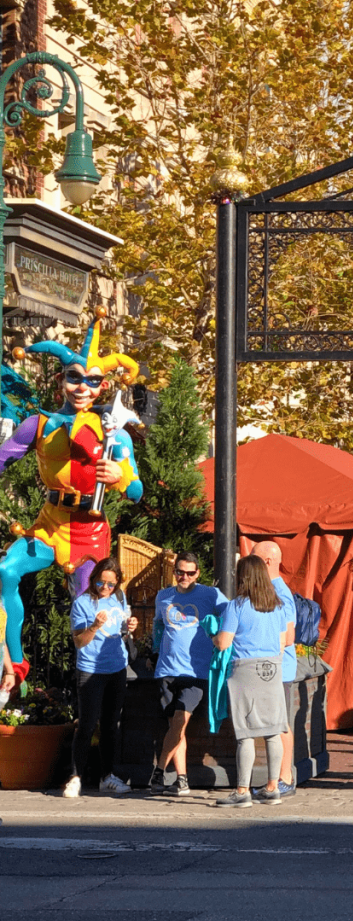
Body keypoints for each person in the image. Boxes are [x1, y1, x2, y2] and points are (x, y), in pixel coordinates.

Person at [0, 311, 143, 684]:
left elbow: (137, 491)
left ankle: (94, 684)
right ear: (61, 379)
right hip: (49, 524)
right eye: (74, 377)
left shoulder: (114, 432)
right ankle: (16, 665)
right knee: (6, 570)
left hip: (88, 532)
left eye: (92, 380)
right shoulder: (39, 425)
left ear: (102, 386)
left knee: (87, 606)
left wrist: (119, 479)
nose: (82, 387)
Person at [212, 555, 289, 807]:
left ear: (243, 576)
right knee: (272, 731)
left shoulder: (237, 606)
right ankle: (272, 787)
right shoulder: (277, 606)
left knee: (245, 733)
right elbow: (283, 642)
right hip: (273, 668)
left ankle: (242, 790)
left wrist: (212, 636)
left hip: (245, 669)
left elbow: (224, 642)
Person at [150, 551, 227, 796]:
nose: (185, 577)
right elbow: (158, 624)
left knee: (180, 722)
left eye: (190, 573)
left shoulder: (211, 594)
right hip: (167, 668)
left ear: (198, 573)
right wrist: (154, 649)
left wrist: (220, 640)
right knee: (176, 727)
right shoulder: (163, 596)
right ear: (174, 572)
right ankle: (181, 780)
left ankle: (159, 770)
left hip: (196, 671)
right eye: (180, 572)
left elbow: (231, 616)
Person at [63, 558, 137, 797]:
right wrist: (94, 626)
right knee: (87, 724)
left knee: (110, 725)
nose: (105, 588)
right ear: (93, 579)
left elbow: (121, 629)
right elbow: (79, 641)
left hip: (116, 667)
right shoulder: (82, 603)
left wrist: (130, 626)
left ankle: (108, 777)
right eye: (100, 582)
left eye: (111, 584)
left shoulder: (119, 597)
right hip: (91, 669)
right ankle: (75, 777)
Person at [251, 541, 298, 797]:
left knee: (280, 724)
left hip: (280, 669)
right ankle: (276, 778)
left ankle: (285, 777)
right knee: (273, 723)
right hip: (268, 668)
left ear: (267, 561)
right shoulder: (266, 589)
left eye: (254, 557)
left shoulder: (280, 592)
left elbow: (288, 637)